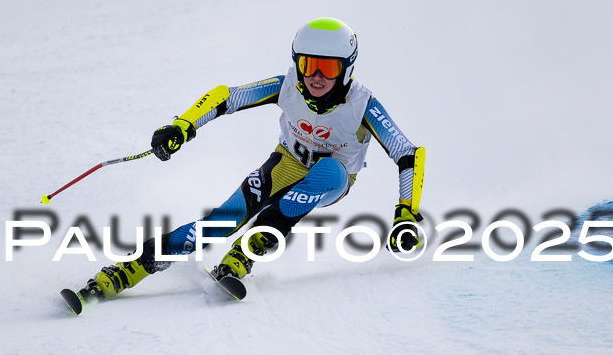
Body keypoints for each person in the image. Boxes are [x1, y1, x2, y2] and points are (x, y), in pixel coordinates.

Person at [77, 17, 425, 301]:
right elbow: (227, 97)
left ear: (347, 69)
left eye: (329, 69)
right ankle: (131, 268)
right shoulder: (287, 85)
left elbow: (407, 153)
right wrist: (183, 126)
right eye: (309, 65)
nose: (317, 77)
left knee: (327, 173)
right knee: (221, 222)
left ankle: (247, 251)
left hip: (333, 177)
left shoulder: (363, 104)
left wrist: (406, 213)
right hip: (285, 163)